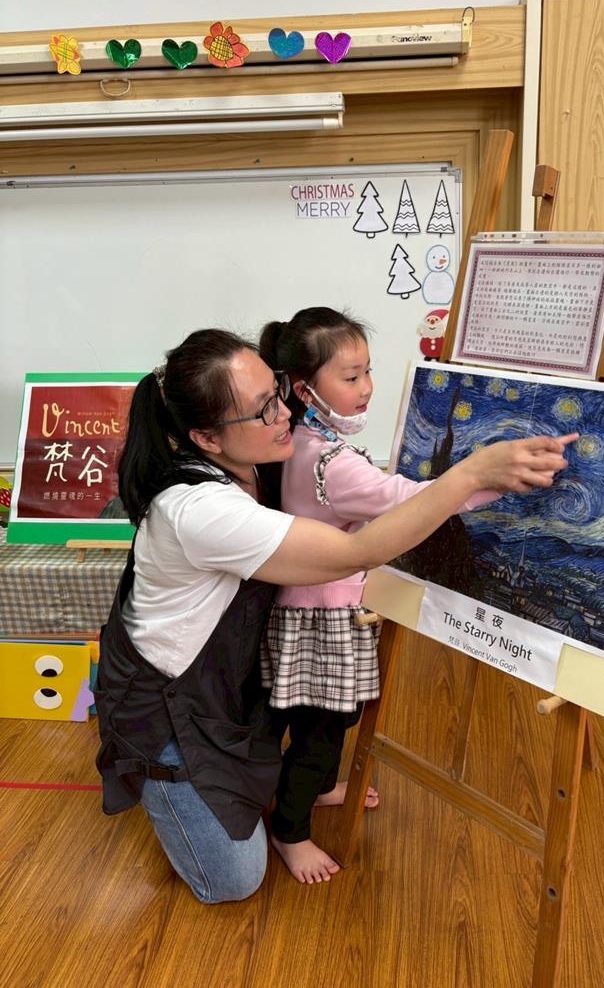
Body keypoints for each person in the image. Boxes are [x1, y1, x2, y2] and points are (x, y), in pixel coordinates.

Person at [95, 326, 576, 904]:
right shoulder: (200, 510)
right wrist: (471, 474)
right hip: (166, 705)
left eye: (278, 393)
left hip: (222, 684)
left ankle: (258, 786)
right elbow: (355, 551)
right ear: (205, 437)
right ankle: (162, 778)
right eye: (263, 409)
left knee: (296, 737)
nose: (284, 413)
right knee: (234, 881)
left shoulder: (262, 456)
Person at [258, 307, 513, 884]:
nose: (367, 387)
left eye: (368, 371)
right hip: (323, 618)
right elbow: (411, 500)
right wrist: (488, 478)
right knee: (321, 730)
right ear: (304, 388)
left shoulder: (303, 438)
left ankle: (317, 789)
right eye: (351, 377)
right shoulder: (330, 464)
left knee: (327, 719)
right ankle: (290, 831)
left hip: (313, 610)